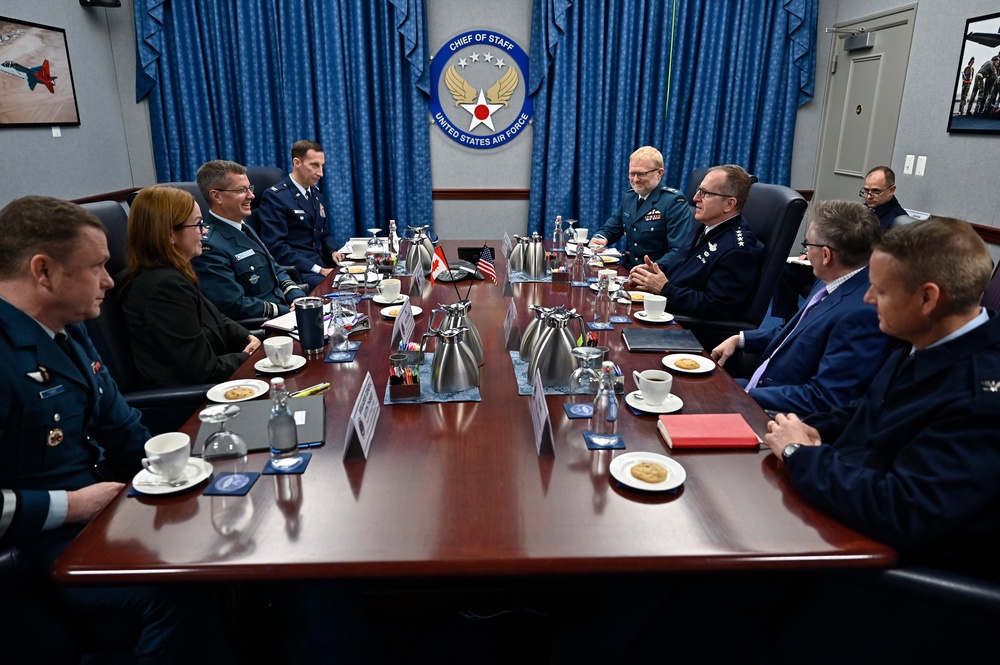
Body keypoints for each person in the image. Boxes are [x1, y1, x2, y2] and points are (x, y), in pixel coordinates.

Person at [0, 196, 233, 662]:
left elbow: (120, 425)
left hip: (105, 507)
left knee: (221, 540)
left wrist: (183, 475)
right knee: (176, 592)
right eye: (98, 267)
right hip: (41, 541)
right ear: (43, 271)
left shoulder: (66, 326)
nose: (110, 280)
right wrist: (70, 506)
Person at [765, 216, 1000, 576]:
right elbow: (872, 408)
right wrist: (811, 428)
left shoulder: (980, 398)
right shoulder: (928, 339)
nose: (868, 298)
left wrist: (801, 456)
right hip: (846, 510)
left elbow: (903, 512)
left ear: (927, 297)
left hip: (893, 578)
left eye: (882, 290)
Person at [711, 200, 892, 414]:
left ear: (826, 255)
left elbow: (825, 398)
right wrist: (740, 339)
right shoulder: (831, 280)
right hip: (758, 388)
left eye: (807, 245)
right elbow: (800, 332)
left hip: (775, 411)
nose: (805, 252)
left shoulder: (861, 314)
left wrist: (745, 395)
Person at [119, 185, 262, 388]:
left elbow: (214, 318)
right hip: (190, 403)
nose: (204, 232)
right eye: (198, 225)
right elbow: (204, 370)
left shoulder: (174, 272)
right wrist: (249, 357)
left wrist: (248, 337)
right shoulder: (163, 287)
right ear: (170, 234)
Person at [772, 165, 905, 322]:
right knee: (788, 269)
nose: (869, 196)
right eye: (866, 191)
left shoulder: (897, 221)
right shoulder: (862, 211)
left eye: (875, 191)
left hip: (857, 274)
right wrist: (814, 253)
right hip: (840, 261)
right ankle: (788, 322)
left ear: (892, 190)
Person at [627, 164, 760, 319]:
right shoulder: (706, 225)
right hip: (668, 307)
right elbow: (683, 263)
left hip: (688, 328)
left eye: (705, 193)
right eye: (698, 190)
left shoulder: (737, 250)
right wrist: (657, 270)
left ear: (729, 204)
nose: (695, 198)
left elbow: (717, 307)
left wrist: (665, 289)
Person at [192, 160, 307, 320]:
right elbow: (233, 304)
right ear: (217, 196)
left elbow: (276, 269)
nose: (251, 196)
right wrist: (287, 312)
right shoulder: (208, 245)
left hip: (287, 315)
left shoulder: (244, 227)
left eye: (249, 188)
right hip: (265, 326)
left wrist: (297, 297)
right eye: (241, 190)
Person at [257, 140, 346, 290]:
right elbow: (277, 248)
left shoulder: (316, 194)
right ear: (297, 163)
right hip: (300, 271)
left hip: (323, 263)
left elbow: (323, 233)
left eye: (322, 166)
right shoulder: (276, 197)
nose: (321, 173)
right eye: (314, 165)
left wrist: (333, 251)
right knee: (343, 290)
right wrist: (319, 269)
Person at [589, 146, 695, 268]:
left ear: (659, 173)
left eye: (641, 174)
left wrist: (653, 268)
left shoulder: (673, 201)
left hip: (659, 276)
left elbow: (679, 250)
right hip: (631, 272)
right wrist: (600, 239)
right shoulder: (629, 198)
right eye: (631, 173)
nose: (635, 179)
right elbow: (611, 228)